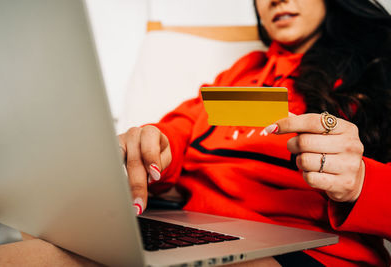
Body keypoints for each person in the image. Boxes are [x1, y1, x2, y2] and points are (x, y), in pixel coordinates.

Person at [119, 0, 391, 266]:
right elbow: (181, 127)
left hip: (314, 249)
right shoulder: (241, 72)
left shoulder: (376, 72)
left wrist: (361, 182)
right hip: (191, 225)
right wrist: (154, 146)